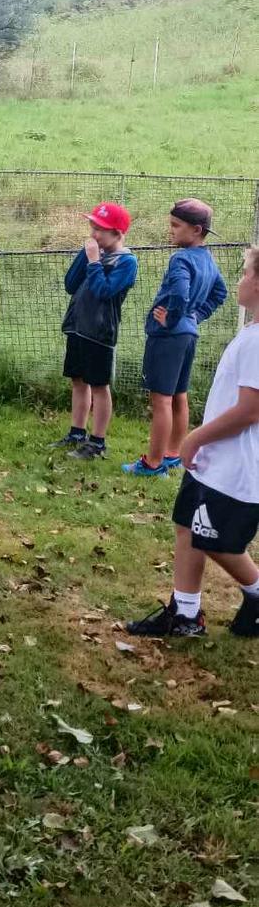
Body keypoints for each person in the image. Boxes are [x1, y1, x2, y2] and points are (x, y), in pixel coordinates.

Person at [126, 245, 259, 638]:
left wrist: (193, 439)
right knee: (187, 525)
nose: (241, 280)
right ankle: (185, 614)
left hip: (236, 468)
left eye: (247, 273)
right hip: (214, 461)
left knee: (218, 541)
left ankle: (257, 591)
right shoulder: (251, 331)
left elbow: (250, 410)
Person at [123, 198, 228, 477]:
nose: (170, 230)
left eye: (175, 225)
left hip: (168, 336)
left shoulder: (181, 258)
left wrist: (172, 318)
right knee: (179, 395)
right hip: (188, 336)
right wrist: (195, 316)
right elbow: (221, 293)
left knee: (161, 400)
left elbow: (180, 293)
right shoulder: (207, 258)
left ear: (196, 230)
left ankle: (153, 463)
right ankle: (173, 454)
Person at [52, 202, 138, 460]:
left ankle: (98, 442)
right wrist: (86, 255)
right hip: (78, 326)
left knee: (99, 386)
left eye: (101, 229)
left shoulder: (127, 262)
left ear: (118, 234)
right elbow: (70, 284)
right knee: (78, 380)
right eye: (93, 226)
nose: (94, 233)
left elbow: (104, 291)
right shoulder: (93, 251)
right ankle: (77, 432)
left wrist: (93, 261)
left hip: (99, 332)